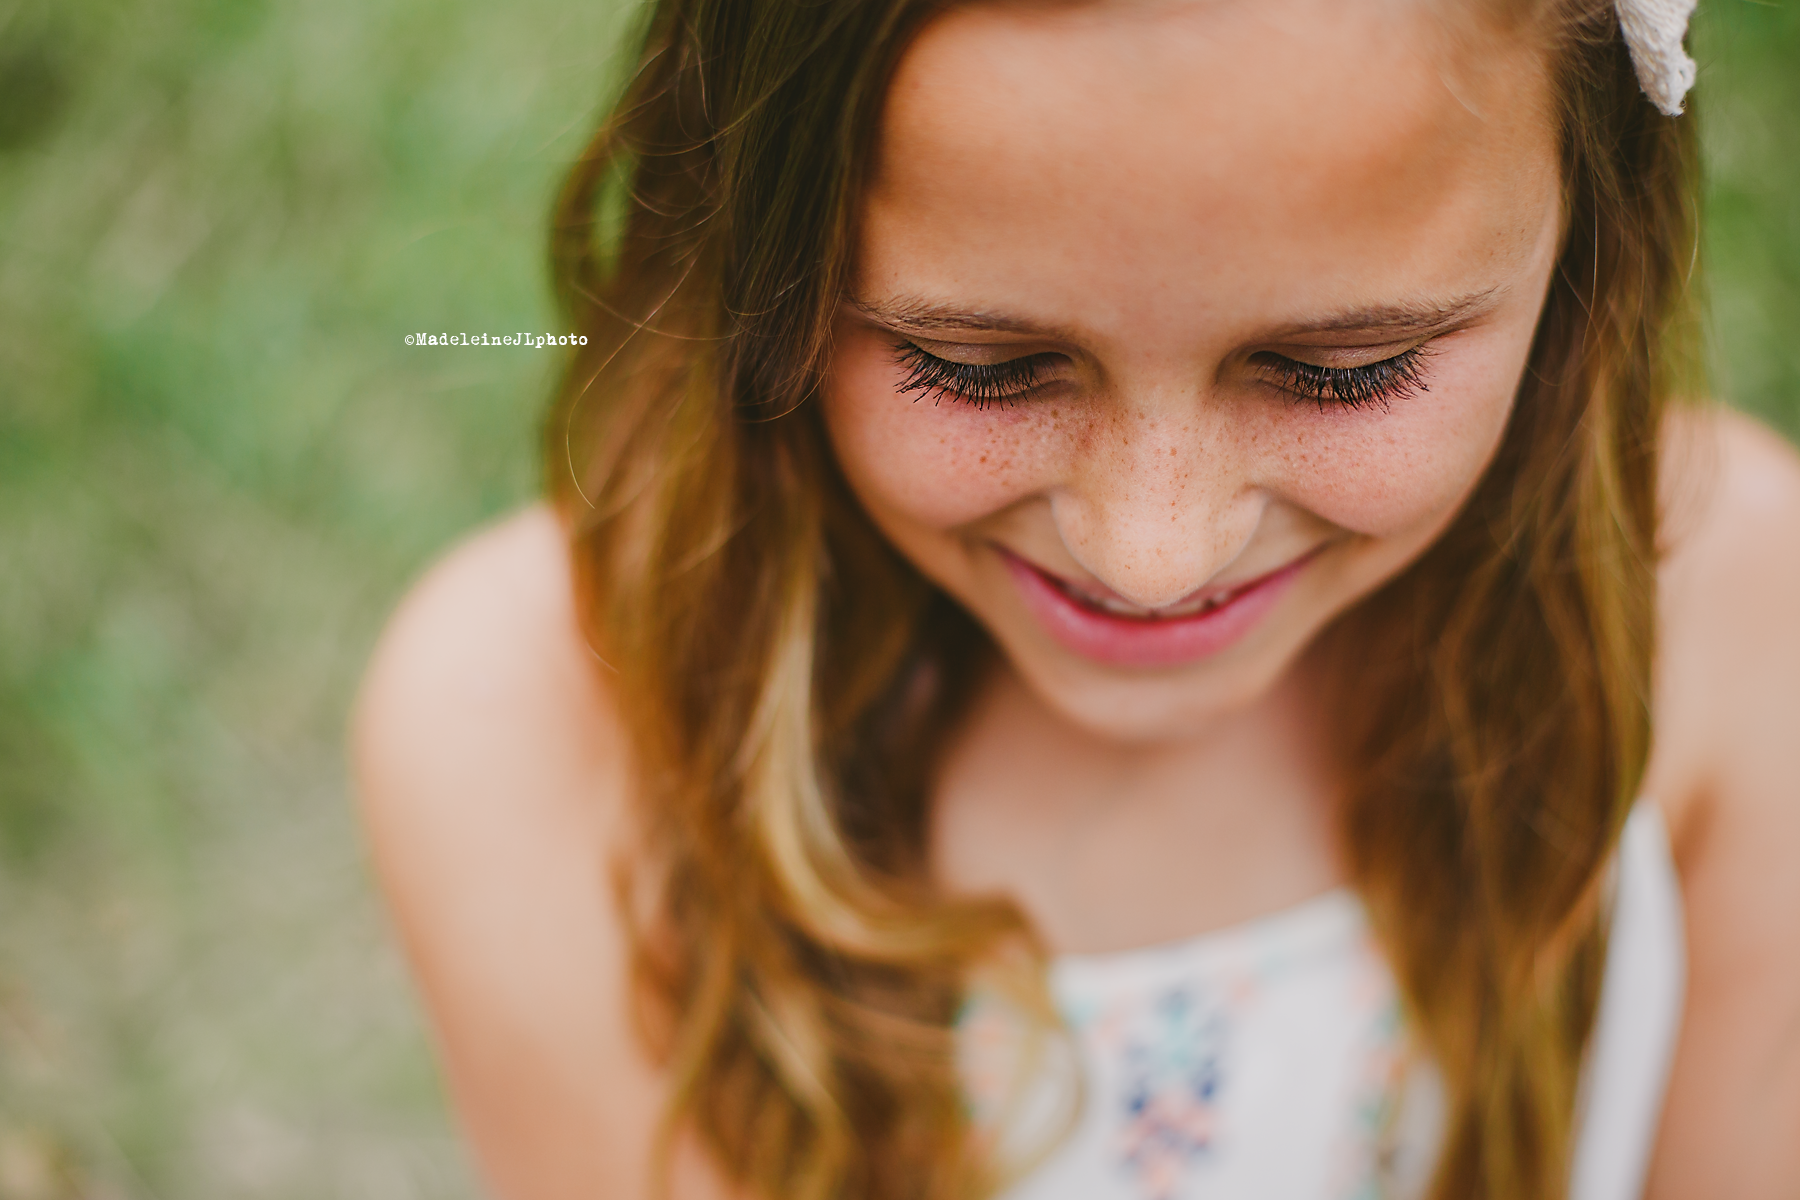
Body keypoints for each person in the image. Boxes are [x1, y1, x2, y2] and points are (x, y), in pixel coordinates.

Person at [352, 0, 1800, 1197]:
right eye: (976, 368)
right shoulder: (537, 723)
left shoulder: (1740, 607)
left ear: (1585, 260)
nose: (1152, 554)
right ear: (758, 263)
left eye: (1344, 373)